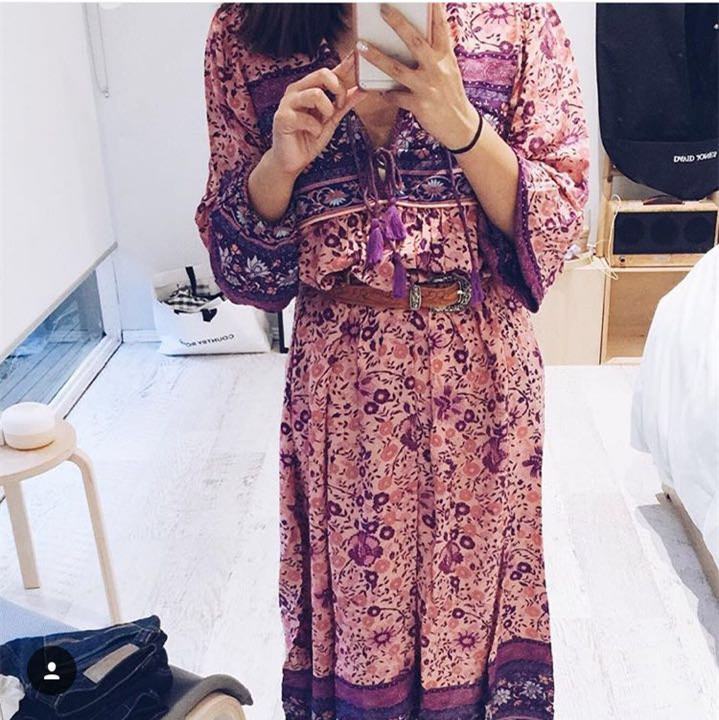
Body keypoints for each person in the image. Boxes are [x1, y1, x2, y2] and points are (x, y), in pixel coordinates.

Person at [195, 3, 590, 719]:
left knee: (474, 601)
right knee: (361, 610)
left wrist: (461, 124)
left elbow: (559, 221)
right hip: (341, 385)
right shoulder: (246, 30)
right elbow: (244, 270)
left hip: (482, 376)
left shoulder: (518, 18)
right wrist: (280, 167)